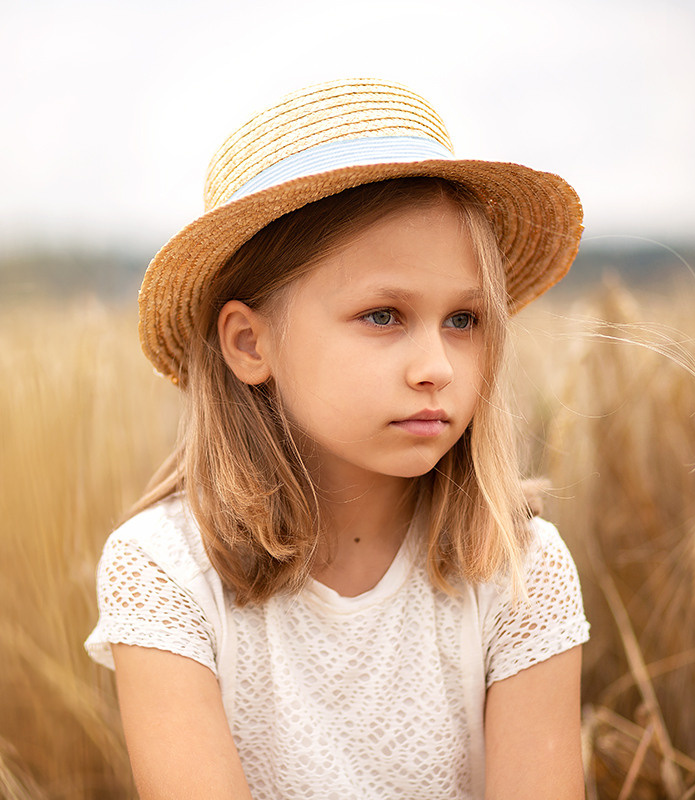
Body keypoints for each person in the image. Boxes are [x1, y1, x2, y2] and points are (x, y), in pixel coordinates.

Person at [85, 78, 590, 799]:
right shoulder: (163, 571)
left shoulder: (519, 570)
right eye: (383, 316)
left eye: (464, 320)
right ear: (249, 344)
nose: (436, 368)